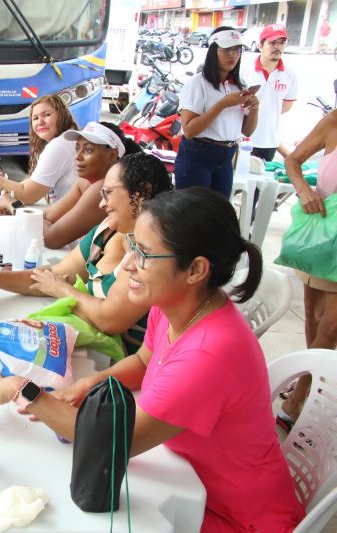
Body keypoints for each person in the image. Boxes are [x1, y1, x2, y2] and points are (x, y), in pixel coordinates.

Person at [0, 187, 306, 532]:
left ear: (196, 270)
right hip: (185, 481)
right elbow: (144, 362)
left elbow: (113, 443)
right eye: (132, 245)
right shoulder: (175, 307)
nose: (128, 265)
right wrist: (91, 383)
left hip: (232, 516)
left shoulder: (210, 354)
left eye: (145, 255)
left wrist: (20, 389)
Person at [0, 152, 174, 356]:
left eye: (108, 193)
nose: (102, 204)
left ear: (143, 191)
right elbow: (51, 275)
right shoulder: (107, 231)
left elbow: (108, 319)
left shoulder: (154, 254)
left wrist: (62, 289)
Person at [276, 109, 337, 432]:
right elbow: (293, 160)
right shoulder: (334, 121)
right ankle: (312, 382)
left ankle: (297, 401)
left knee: (330, 329)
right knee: (313, 318)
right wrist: (304, 189)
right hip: (321, 234)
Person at [175, 26, 259, 197]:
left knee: (218, 215)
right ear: (213, 51)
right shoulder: (198, 83)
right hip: (198, 155)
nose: (233, 55)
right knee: (193, 215)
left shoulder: (238, 84)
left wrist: (255, 108)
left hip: (227, 156)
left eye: (238, 50)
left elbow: (247, 131)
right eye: (227, 50)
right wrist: (222, 105)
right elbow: (189, 130)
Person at [42, 122, 142, 249]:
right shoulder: (84, 181)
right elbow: (47, 216)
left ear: (112, 155)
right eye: (77, 148)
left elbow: (52, 238)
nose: (78, 156)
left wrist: (15, 207)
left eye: (88, 150)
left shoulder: (103, 189)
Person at [0, 95, 79, 207]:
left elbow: (28, 196)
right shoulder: (64, 141)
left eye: (47, 115)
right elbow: (29, 183)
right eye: (35, 118)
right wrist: (3, 183)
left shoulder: (59, 146)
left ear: (62, 115)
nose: (40, 122)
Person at [241, 24, 298, 162]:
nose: (277, 47)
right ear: (260, 45)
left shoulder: (290, 74)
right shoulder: (245, 70)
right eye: (272, 43)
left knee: (262, 183)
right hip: (242, 139)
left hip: (269, 143)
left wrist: (267, 113)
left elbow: (286, 106)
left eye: (281, 42)